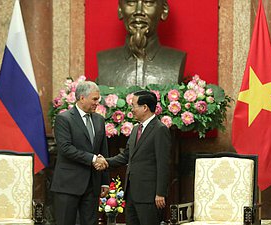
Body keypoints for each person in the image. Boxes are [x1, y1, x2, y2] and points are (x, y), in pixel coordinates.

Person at [97, 90, 171, 225]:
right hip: (132, 193)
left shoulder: (160, 129)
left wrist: (160, 193)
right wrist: (104, 161)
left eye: (134, 105)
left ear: (145, 108)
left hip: (149, 195)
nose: (132, 109)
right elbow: (125, 156)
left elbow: (163, 163)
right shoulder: (136, 129)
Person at [50, 81, 109, 225]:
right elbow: (65, 148)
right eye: (94, 99)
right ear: (82, 98)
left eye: (98, 99)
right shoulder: (64, 119)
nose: (97, 102)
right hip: (68, 184)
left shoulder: (99, 120)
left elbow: (103, 151)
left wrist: (105, 182)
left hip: (92, 185)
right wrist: (93, 158)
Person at [97, 0, 186, 87]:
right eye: (131, 2)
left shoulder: (176, 59)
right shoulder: (105, 60)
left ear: (164, 10)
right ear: (120, 9)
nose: (138, 11)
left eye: (148, 2)